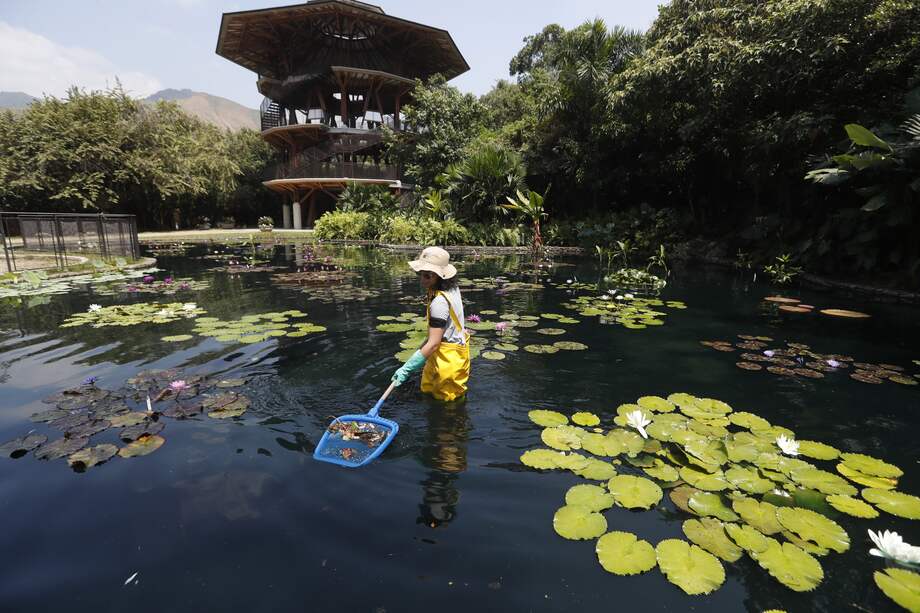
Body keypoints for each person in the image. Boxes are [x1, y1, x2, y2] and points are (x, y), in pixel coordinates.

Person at [391, 246, 470, 401]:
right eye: (421, 274)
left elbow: (434, 343)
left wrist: (407, 369)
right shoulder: (452, 288)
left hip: (447, 361)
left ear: (440, 276)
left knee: (447, 405)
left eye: (427, 276)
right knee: (430, 394)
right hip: (451, 352)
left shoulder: (439, 302)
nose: (422, 280)